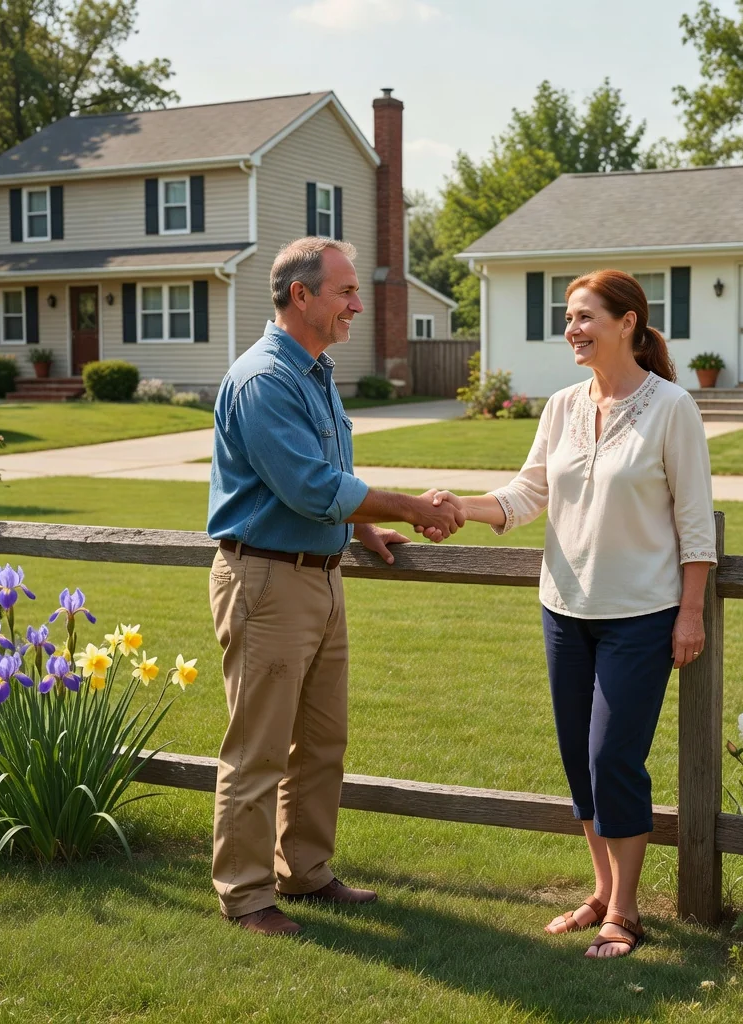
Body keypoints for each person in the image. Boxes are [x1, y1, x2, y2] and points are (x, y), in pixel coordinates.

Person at [427, 270, 716, 958]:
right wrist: (458, 508)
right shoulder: (559, 406)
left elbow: (695, 524)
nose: (572, 329)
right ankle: (598, 892)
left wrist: (691, 613)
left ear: (628, 324)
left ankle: (626, 910)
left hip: (642, 613)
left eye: (585, 316)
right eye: (568, 317)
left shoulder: (672, 407)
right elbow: (528, 494)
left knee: (613, 756)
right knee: (577, 762)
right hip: (564, 608)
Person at [207, 236, 464, 936]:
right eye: (347, 292)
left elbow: (316, 494)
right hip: (266, 580)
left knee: (321, 742)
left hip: (319, 575)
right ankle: (247, 895)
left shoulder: (313, 372)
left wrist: (359, 531)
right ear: (302, 296)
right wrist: (410, 506)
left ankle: (306, 872)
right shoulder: (265, 378)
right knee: (258, 747)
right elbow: (310, 484)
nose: (358, 304)